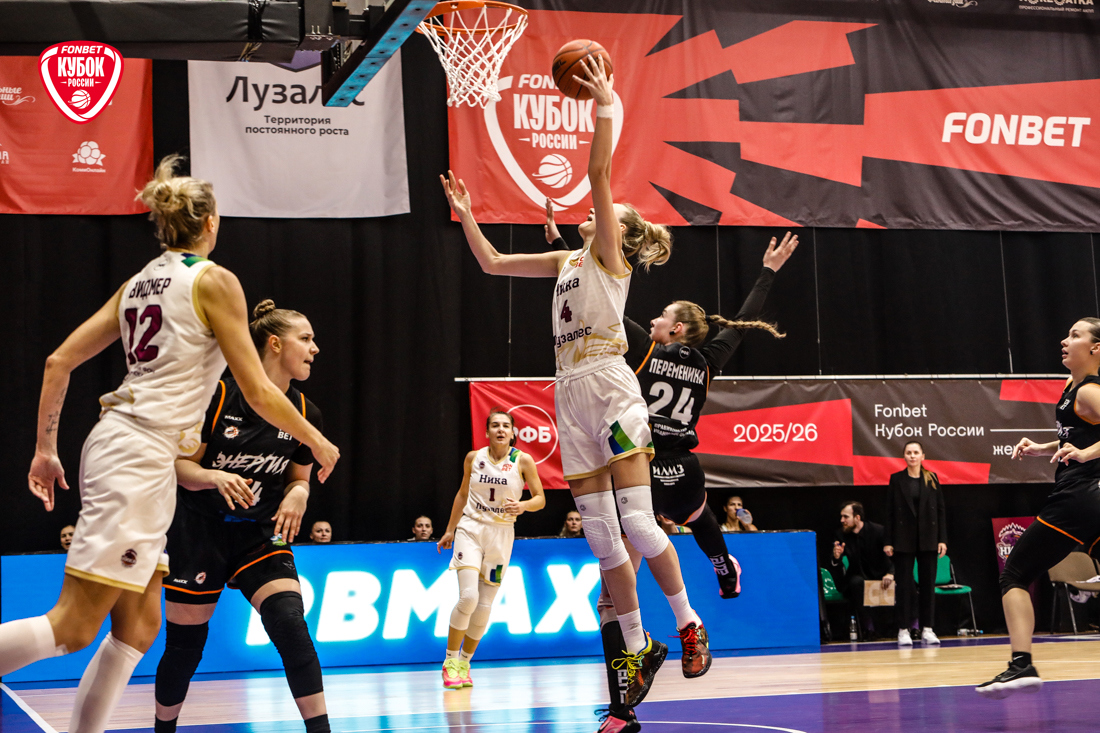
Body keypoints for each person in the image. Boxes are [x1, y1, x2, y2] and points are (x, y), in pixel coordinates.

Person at [3, 155, 338, 733]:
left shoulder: (138, 284)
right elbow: (257, 389)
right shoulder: (215, 280)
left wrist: (45, 449)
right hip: (137, 452)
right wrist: (317, 441)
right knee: (74, 627)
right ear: (209, 223)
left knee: (138, 629)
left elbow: (59, 361)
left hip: (141, 454)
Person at [442, 56, 700, 716]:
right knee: (602, 539)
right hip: (569, 392)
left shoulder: (609, 254)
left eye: (605, 211)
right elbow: (491, 262)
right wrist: (466, 213)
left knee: (637, 520)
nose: (593, 209)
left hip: (610, 384)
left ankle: (688, 621)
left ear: (618, 228)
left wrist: (604, 103)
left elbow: (600, 173)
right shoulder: (564, 259)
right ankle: (640, 648)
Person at [155, 300, 330, 733]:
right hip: (199, 531)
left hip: (260, 533)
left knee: (291, 626)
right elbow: (178, 466)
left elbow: (299, 479)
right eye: (306, 339)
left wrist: (299, 494)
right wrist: (212, 476)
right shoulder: (216, 397)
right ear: (275, 344)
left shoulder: (306, 414)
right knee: (184, 648)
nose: (315, 348)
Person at [976, 319, 1100, 698]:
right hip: (1089, 498)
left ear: (1095, 349)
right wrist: (1043, 448)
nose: (1065, 340)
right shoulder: (1071, 387)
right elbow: (1076, 433)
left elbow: (1086, 444)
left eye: (1075, 335)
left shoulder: (1090, 390)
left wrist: (1086, 454)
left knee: (1015, 573)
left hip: (1080, 497)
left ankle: (1021, 664)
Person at [437, 408, 545, 689]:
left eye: (505, 425)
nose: (500, 429)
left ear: (512, 432)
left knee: (484, 606)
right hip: (471, 529)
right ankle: (450, 661)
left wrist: (523, 505)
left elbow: (540, 499)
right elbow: (463, 493)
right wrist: (450, 529)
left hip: (501, 535)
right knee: (468, 597)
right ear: (486, 432)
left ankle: (465, 662)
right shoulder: (474, 458)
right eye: (495, 425)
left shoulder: (523, 460)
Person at [884, 441, 947, 647]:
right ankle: (903, 629)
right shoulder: (896, 479)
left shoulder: (932, 478)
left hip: (928, 538)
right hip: (903, 539)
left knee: (928, 585)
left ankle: (927, 628)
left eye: (916, 452)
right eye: (909, 452)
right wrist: (888, 541)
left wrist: (942, 539)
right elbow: (889, 512)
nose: (912, 456)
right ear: (904, 456)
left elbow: (940, 511)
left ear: (922, 456)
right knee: (904, 586)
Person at [828, 502, 894, 636]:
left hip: (881, 574)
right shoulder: (840, 535)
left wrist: (890, 573)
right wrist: (836, 557)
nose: (842, 520)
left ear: (857, 518)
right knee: (855, 583)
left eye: (846, 517)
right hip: (859, 576)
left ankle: (910, 627)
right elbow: (836, 566)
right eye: (841, 517)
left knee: (907, 581)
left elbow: (895, 557)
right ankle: (868, 628)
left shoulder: (878, 531)